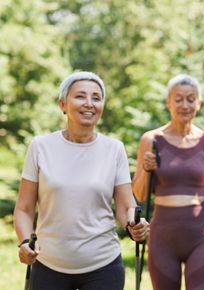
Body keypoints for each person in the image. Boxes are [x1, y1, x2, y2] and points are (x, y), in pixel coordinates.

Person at [13, 71, 149, 290]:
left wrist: (135, 224)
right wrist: (25, 242)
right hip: (48, 265)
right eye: (80, 96)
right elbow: (24, 208)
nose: (89, 103)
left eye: (96, 98)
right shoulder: (40, 147)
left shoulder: (114, 149)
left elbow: (126, 206)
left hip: (103, 267)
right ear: (63, 105)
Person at [132, 74, 204, 290]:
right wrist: (148, 170)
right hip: (163, 238)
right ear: (168, 102)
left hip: (200, 236)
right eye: (178, 99)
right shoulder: (151, 141)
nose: (184, 105)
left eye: (190, 99)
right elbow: (139, 194)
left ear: (199, 103)